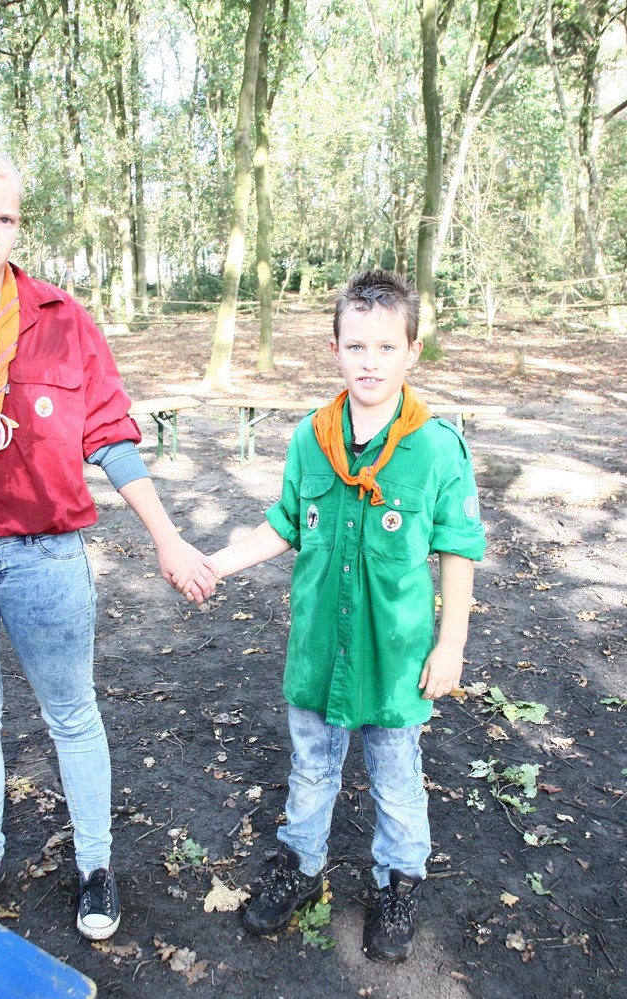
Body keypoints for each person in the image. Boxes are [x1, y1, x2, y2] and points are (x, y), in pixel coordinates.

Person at [0, 144, 217, 940]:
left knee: (73, 715)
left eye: (6, 218)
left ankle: (96, 868)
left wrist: (167, 539)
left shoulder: (63, 321)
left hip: (47, 559)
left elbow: (111, 435)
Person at [205, 270, 486, 963]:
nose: (370, 362)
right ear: (334, 349)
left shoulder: (437, 446)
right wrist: (215, 563)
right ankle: (301, 868)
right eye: (356, 346)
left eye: (386, 347)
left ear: (413, 351)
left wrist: (450, 644)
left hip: (395, 654)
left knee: (396, 776)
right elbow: (285, 523)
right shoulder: (312, 437)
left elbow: (458, 548)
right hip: (319, 649)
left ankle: (398, 884)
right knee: (310, 767)